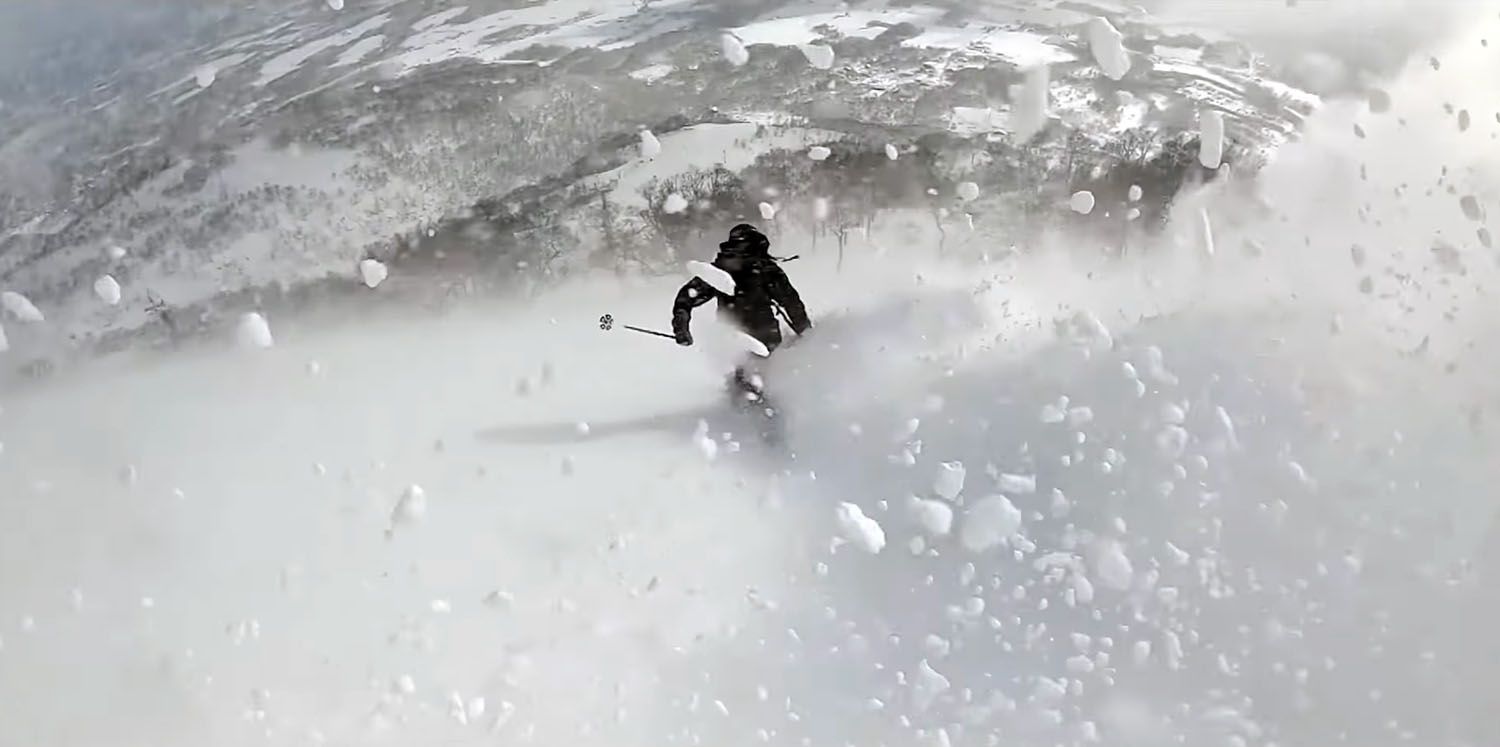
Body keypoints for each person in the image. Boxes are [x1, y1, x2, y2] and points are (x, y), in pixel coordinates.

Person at [671, 223, 811, 404]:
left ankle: (749, 408)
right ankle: (763, 408)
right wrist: (805, 332)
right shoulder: (761, 268)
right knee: (764, 380)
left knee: (750, 379)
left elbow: (686, 298)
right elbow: (791, 303)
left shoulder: (722, 270)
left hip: (739, 338)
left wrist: (680, 327)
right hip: (759, 336)